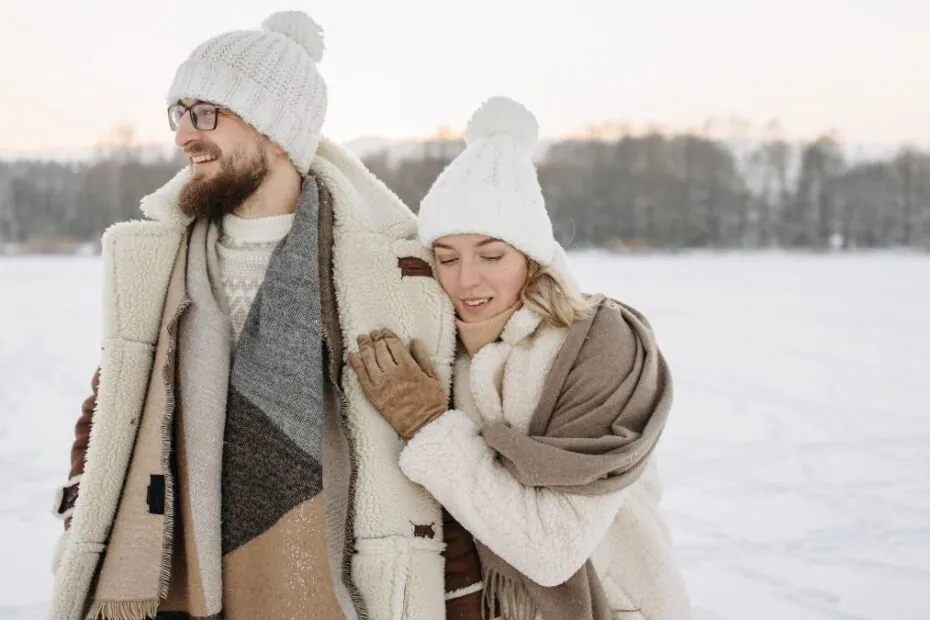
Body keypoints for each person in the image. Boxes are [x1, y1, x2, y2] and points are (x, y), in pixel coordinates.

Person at [49, 11, 459, 620]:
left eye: (207, 112)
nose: (186, 135)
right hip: (170, 586)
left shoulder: (389, 268)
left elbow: (443, 436)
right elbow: (113, 399)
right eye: (180, 113)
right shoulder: (159, 257)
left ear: (275, 127)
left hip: (342, 587)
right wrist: (81, 500)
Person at [348, 97, 692, 619]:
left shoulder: (601, 346)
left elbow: (551, 549)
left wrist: (427, 424)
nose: (467, 280)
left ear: (531, 257)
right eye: (446, 257)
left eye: (491, 255)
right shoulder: (441, 348)